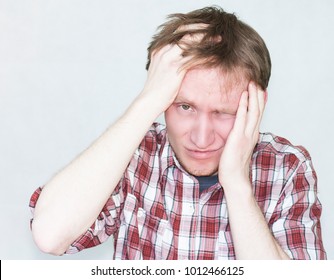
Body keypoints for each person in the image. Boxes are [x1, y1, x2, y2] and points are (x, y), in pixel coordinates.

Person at [29, 6, 326, 260]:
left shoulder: (287, 167)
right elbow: (49, 236)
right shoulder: (134, 154)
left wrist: (237, 185)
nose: (201, 138)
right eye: (185, 106)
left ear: (256, 106)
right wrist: (147, 102)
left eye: (223, 112)